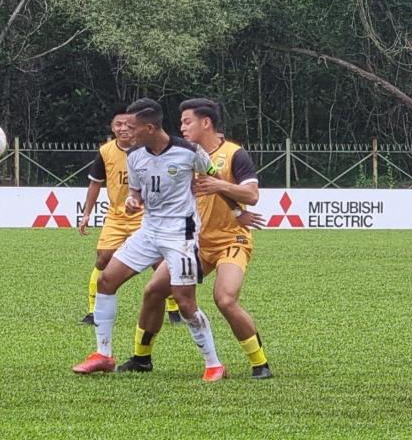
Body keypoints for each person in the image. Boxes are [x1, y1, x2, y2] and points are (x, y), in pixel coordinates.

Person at [72, 98, 226, 382]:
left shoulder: (190, 152)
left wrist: (237, 209)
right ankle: (103, 354)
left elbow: (214, 178)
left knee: (184, 301)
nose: (126, 132)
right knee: (106, 280)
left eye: (132, 127)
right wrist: (132, 201)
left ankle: (214, 364)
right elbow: (137, 194)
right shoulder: (134, 157)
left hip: (181, 233)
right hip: (149, 230)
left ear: (150, 127)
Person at [119, 98, 272, 380]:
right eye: (180, 122)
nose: (181, 127)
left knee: (224, 299)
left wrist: (221, 188)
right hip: (193, 242)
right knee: (153, 291)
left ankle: (260, 364)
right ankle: (141, 358)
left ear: (206, 122)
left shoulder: (234, 154)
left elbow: (251, 195)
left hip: (230, 241)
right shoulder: (183, 153)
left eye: (187, 121)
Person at [78, 107, 182, 326]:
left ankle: (174, 308)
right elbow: (95, 183)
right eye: (118, 124)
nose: (123, 128)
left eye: (128, 124)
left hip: (145, 216)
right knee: (103, 258)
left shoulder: (148, 150)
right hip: (116, 216)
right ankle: (92, 311)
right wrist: (87, 213)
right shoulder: (105, 151)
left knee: (160, 262)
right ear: (112, 127)